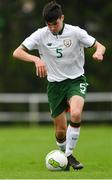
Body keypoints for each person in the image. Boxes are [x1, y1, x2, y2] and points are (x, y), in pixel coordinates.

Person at [13, 0, 106, 171]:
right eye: (49, 25)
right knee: (60, 132)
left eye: (55, 23)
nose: (52, 27)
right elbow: (17, 52)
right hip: (55, 86)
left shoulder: (76, 32)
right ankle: (67, 156)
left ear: (62, 18)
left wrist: (98, 52)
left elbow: (100, 46)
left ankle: (69, 155)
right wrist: (36, 59)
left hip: (76, 80)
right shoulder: (40, 34)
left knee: (76, 113)